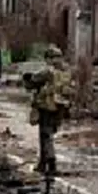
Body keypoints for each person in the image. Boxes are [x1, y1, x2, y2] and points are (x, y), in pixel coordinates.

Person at [23, 46, 73, 178]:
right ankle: (42, 163)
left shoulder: (47, 72)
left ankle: (51, 163)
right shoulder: (66, 71)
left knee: (45, 135)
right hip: (61, 106)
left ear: (49, 59)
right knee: (49, 133)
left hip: (47, 106)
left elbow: (32, 81)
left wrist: (27, 78)